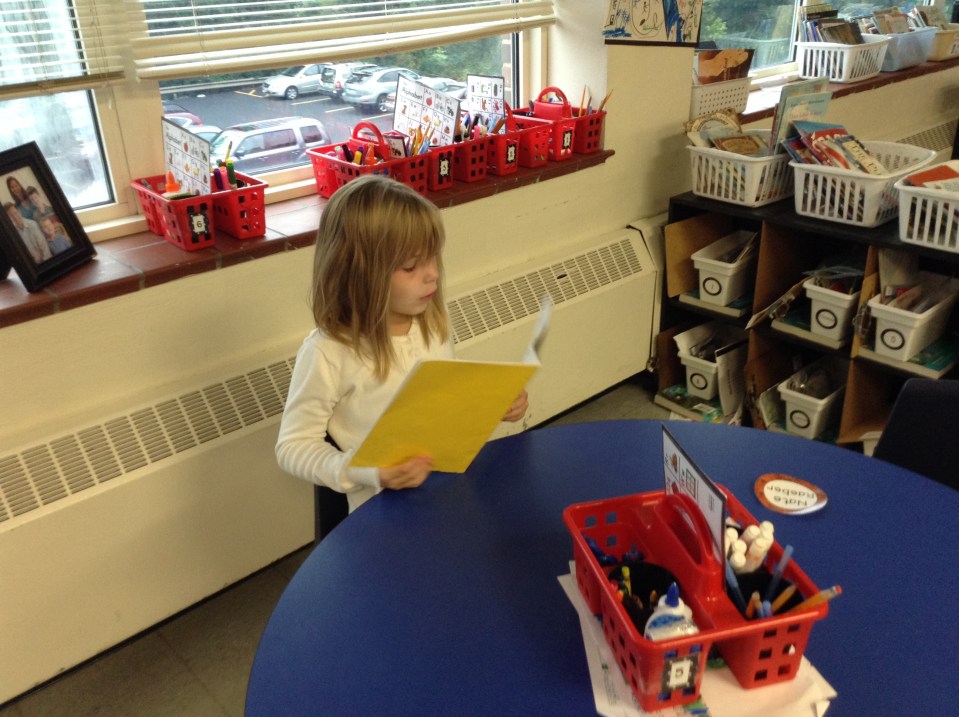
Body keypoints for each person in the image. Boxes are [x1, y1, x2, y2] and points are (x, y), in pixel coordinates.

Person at [276, 175, 528, 513]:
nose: (433, 275)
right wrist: (364, 470)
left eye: (433, 258)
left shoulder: (432, 322)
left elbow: (441, 404)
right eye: (411, 266)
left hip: (448, 492)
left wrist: (494, 404)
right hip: (382, 513)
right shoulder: (328, 352)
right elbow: (293, 446)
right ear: (361, 275)